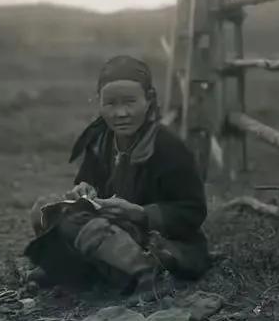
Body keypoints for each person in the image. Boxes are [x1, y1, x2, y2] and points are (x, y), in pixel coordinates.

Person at [23, 55, 210, 302]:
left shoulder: (168, 147)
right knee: (43, 209)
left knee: (79, 225)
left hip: (156, 239)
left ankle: (146, 273)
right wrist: (83, 190)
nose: (121, 113)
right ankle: (74, 269)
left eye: (130, 102)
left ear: (149, 100)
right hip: (110, 232)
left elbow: (193, 211)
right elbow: (86, 183)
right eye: (110, 103)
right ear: (98, 102)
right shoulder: (100, 140)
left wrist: (140, 213)